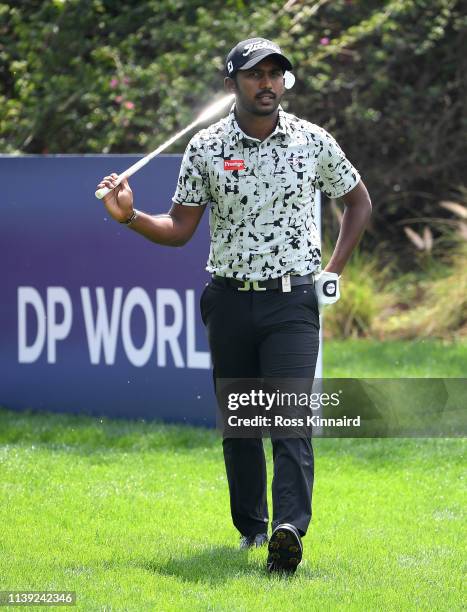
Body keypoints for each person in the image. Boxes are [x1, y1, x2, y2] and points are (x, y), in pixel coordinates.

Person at [96, 37, 372, 574]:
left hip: (293, 299)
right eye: (254, 74)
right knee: (242, 423)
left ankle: (289, 530)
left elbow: (357, 200)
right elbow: (179, 229)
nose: (267, 83)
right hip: (227, 300)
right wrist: (129, 215)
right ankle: (253, 528)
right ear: (232, 85)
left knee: (289, 417)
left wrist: (331, 272)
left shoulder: (313, 141)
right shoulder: (205, 147)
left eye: (275, 74)